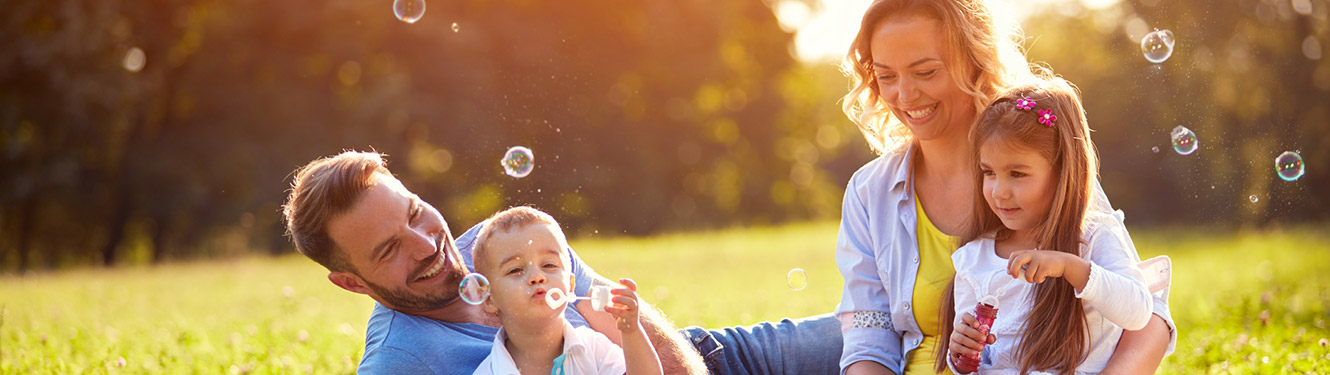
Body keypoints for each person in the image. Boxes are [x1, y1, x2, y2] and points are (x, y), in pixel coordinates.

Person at [833, 1, 1176, 374]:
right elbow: (869, 337)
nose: (904, 94)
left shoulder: (1042, 161)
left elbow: (1146, 312)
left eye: (926, 71)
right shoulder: (870, 191)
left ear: (974, 61)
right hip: (886, 355)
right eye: (886, 76)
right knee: (761, 349)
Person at [282, 150, 843, 375]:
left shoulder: (507, 240)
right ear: (351, 283)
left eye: (415, 213)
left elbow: (656, 345)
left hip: (710, 356)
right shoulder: (401, 365)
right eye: (388, 249)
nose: (425, 243)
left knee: (892, 330)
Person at [939, 81, 1154, 375]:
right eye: (989, 172)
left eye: (1017, 173)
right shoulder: (973, 259)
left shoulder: (1092, 237)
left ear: (1062, 172)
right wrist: (960, 351)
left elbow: (1138, 312)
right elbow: (972, 363)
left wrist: (1069, 267)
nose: (999, 191)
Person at [470, 206, 661, 375]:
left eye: (549, 265)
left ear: (570, 286)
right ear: (489, 298)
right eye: (515, 270)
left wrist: (631, 332)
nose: (537, 276)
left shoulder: (593, 349)